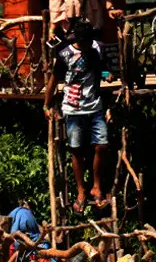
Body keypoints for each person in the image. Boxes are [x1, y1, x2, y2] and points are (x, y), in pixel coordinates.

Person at [43, 19, 110, 214]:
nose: (89, 45)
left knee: (102, 146)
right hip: (73, 109)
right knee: (76, 150)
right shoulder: (65, 55)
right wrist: (46, 104)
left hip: (94, 106)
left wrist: (107, 74)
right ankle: (81, 190)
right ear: (79, 40)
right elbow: (54, 80)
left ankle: (96, 186)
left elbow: (103, 70)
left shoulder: (97, 51)